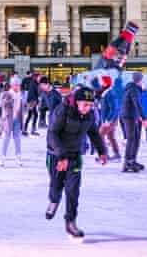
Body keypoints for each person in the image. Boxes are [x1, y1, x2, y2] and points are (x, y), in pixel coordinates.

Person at [45, 87, 107, 240]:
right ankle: (54, 200)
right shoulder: (63, 111)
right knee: (56, 185)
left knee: (73, 190)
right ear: (76, 102)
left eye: (90, 105)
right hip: (56, 155)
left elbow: (93, 133)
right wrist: (61, 156)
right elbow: (52, 133)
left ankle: (70, 222)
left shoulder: (89, 115)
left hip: (75, 156)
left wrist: (102, 151)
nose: (88, 108)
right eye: (85, 104)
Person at [0, 76, 26, 167]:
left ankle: (18, 158)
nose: (18, 87)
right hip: (8, 120)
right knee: (6, 139)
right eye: (17, 85)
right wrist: (11, 100)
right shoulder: (6, 93)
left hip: (17, 119)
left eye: (19, 85)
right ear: (12, 85)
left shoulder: (21, 94)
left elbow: (22, 107)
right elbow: (0, 104)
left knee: (17, 139)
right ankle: (2, 158)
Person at [120, 72, 144, 173]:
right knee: (132, 139)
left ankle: (132, 160)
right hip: (129, 116)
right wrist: (143, 117)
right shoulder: (133, 89)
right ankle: (127, 162)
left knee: (136, 138)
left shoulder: (133, 88)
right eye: (142, 79)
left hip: (131, 116)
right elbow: (136, 103)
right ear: (139, 80)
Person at [98, 77, 121, 162]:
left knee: (99, 136)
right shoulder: (106, 93)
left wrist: (109, 120)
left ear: (106, 83)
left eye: (102, 82)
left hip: (110, 120)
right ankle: (117, 155)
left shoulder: (110, 93)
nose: (101, 84)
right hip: (108, 120)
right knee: (111, 137)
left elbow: (114, 108)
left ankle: (105, 155)